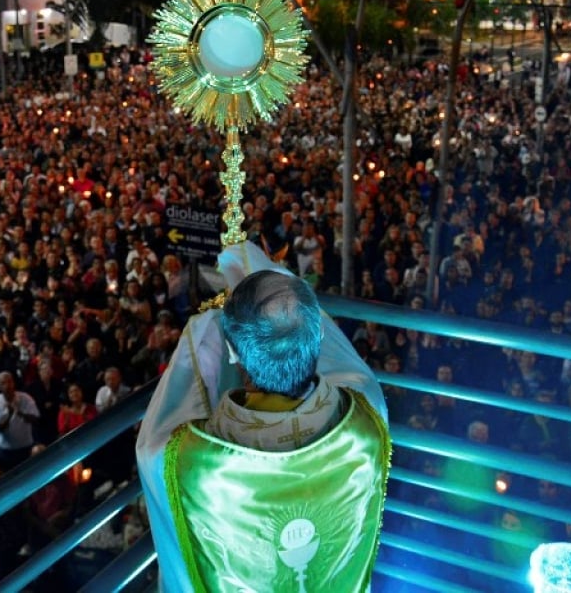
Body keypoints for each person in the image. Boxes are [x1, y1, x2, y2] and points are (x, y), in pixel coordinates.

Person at [137, 242, 390, 592]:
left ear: (235, 355)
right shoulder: (367, 420)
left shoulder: (185, 463)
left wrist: (204, 331)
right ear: (316, 337)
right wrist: (250, 261)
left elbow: (159, 430)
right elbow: (336, 351)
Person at [0, 371, 40, 468]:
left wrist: (20, 413)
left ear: (13, 382)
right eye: (3, 383)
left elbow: (35, 418)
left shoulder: (25, 398)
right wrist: (9, 415)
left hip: (26, 447)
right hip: (7, 452)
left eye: (9, 382)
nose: (7, 385)